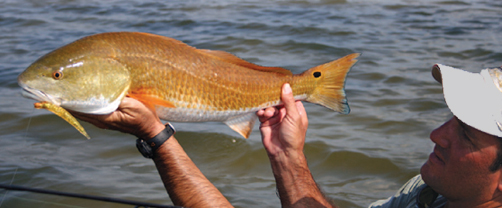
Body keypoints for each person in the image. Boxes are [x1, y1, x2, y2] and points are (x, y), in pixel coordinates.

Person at [72, 64, 502, 208]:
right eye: (449, 118)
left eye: (465, 134)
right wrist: (285, 153)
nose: (437, 134)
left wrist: (157, 137)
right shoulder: (426, 193)